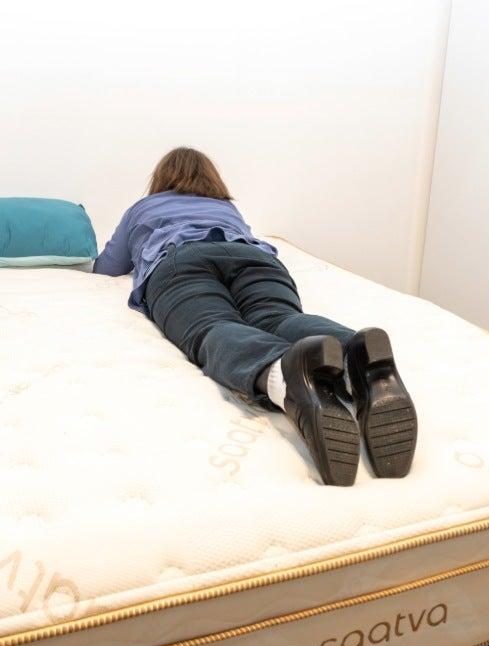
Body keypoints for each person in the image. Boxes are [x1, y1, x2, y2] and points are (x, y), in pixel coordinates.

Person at [93, 147, 417, 486]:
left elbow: (108, 267)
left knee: (213, 326)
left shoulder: (143, 208)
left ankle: (282, 373)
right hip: (253, 256)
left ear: (160, 179)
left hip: (182, 260)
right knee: (278, 317)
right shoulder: (225, 207)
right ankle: (356, 356)